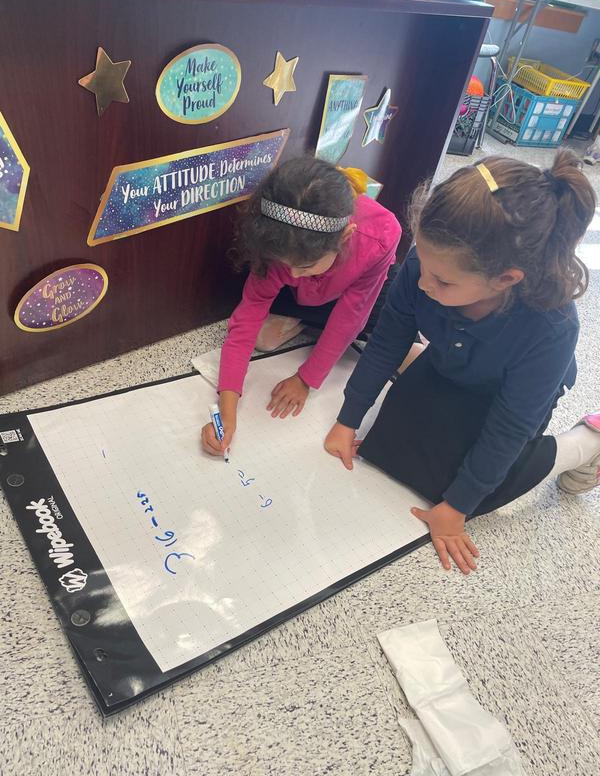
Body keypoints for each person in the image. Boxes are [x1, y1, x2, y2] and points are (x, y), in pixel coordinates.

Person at [325, 149, 599, 575]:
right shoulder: (431, 264)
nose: (422, 282)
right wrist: (348, 418)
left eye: (442, 281)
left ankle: (586, 443)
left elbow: (510, 427)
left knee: (471, 491)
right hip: (448, 362)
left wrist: (457, 507)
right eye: (422, 263)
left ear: (505, 280)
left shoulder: (552, 327)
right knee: (382, 450)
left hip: (507, 395)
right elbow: (387, 341)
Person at [201, 156, 401, 456]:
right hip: (305, 294)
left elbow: (350, 317)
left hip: (360, 289)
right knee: (263, 338)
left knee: (396, 340)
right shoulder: (282, 247)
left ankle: (316, 320)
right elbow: (246, 320)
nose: (293, 274)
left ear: (345, 237)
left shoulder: (380, 236)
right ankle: (309, 318)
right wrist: (227, 410)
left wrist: (306, 379)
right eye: (286, 265)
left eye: (304, 266)